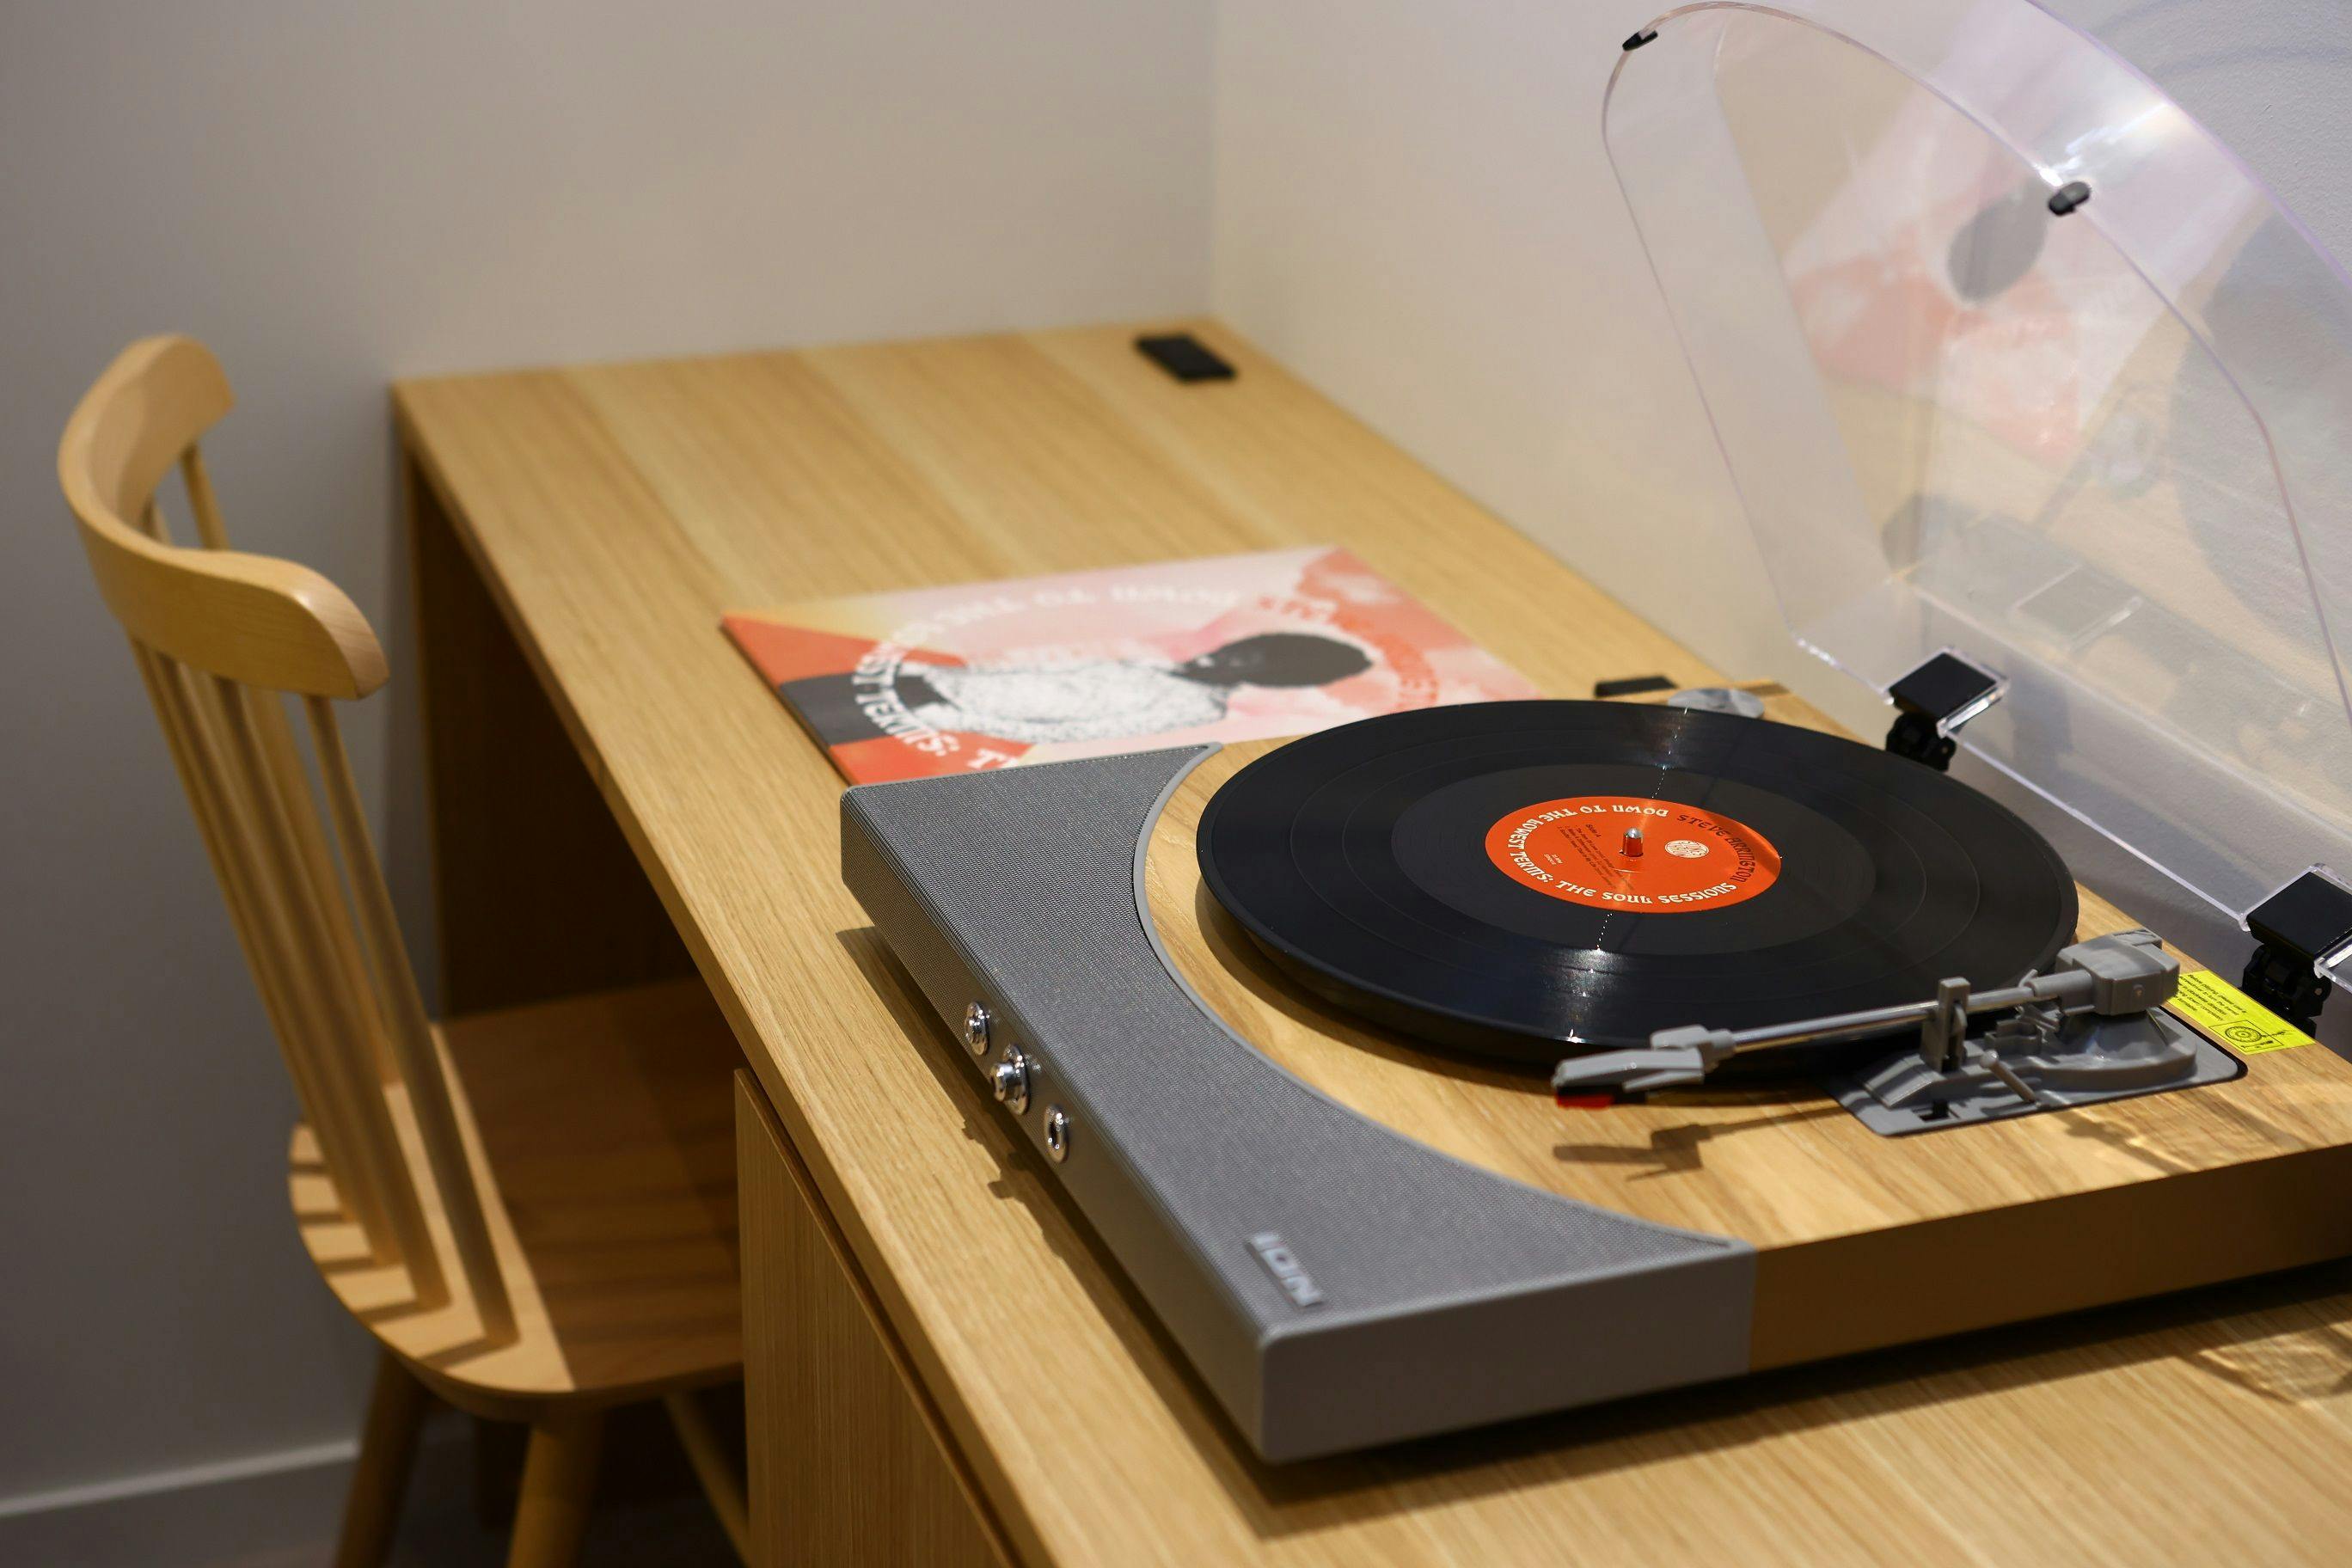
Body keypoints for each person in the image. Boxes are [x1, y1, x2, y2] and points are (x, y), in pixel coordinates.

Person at [784, 631, 1373, 747]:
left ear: (1272, 676)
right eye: (1244, 644)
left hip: (929, 710)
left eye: (1252, 659)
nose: (1228, 653)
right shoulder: (1147, 660)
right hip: (916, 682)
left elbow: (1077, 732)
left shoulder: (1194, 706)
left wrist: (952, 716)